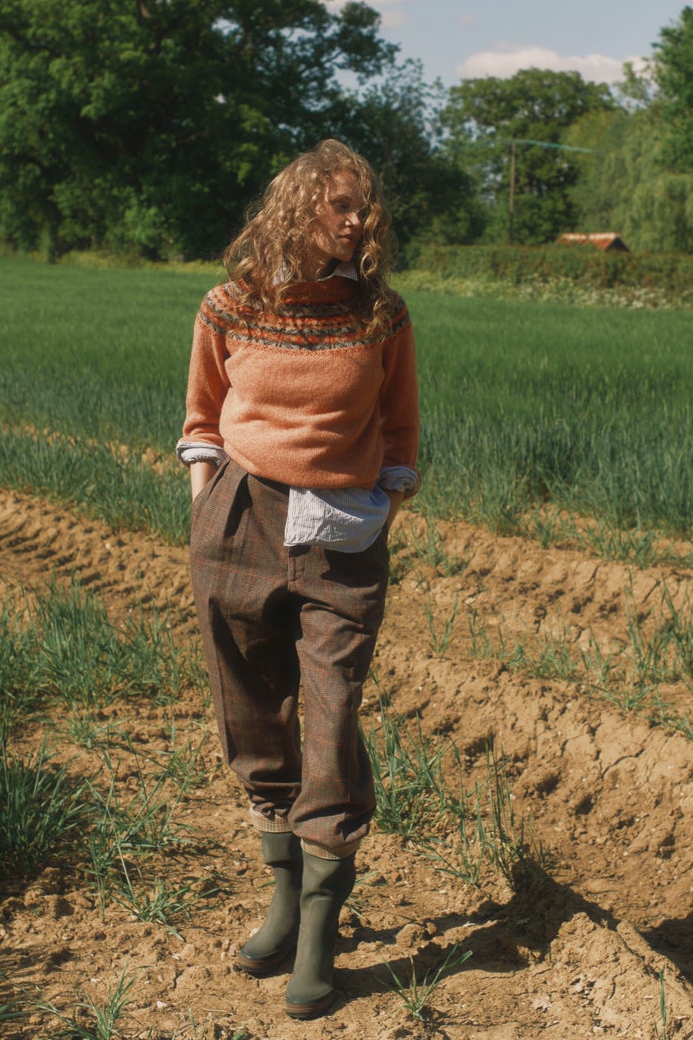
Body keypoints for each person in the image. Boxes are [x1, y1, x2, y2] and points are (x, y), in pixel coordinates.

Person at [177, 138, 420, 1020]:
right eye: (341, 206)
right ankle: (283, 898)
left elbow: (400, 434)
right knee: (250, 706)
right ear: (297, 207)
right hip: (242, 514)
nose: (359, 221)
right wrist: (209, 509)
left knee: (333, 709)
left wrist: (378, 507)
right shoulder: (231, 303)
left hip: (342, 532)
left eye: (365, 207)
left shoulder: (381, 316)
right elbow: (203, 414)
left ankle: (321, 926)